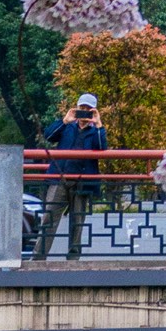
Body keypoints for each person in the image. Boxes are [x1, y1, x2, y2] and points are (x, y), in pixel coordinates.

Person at [37, 90, 106, 257]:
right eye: (81, 107)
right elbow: (49, 136)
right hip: (60, 178)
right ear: (76, 108)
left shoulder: (96, 130)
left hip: (82, 181)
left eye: (88, 108)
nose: (84, 111)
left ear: (93, 111)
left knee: (78, 222)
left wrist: (98, 125)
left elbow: (101, 147)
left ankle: (73, 258)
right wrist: (64, 120)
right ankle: (39, 256)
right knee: (49, 219)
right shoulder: (67, 126)